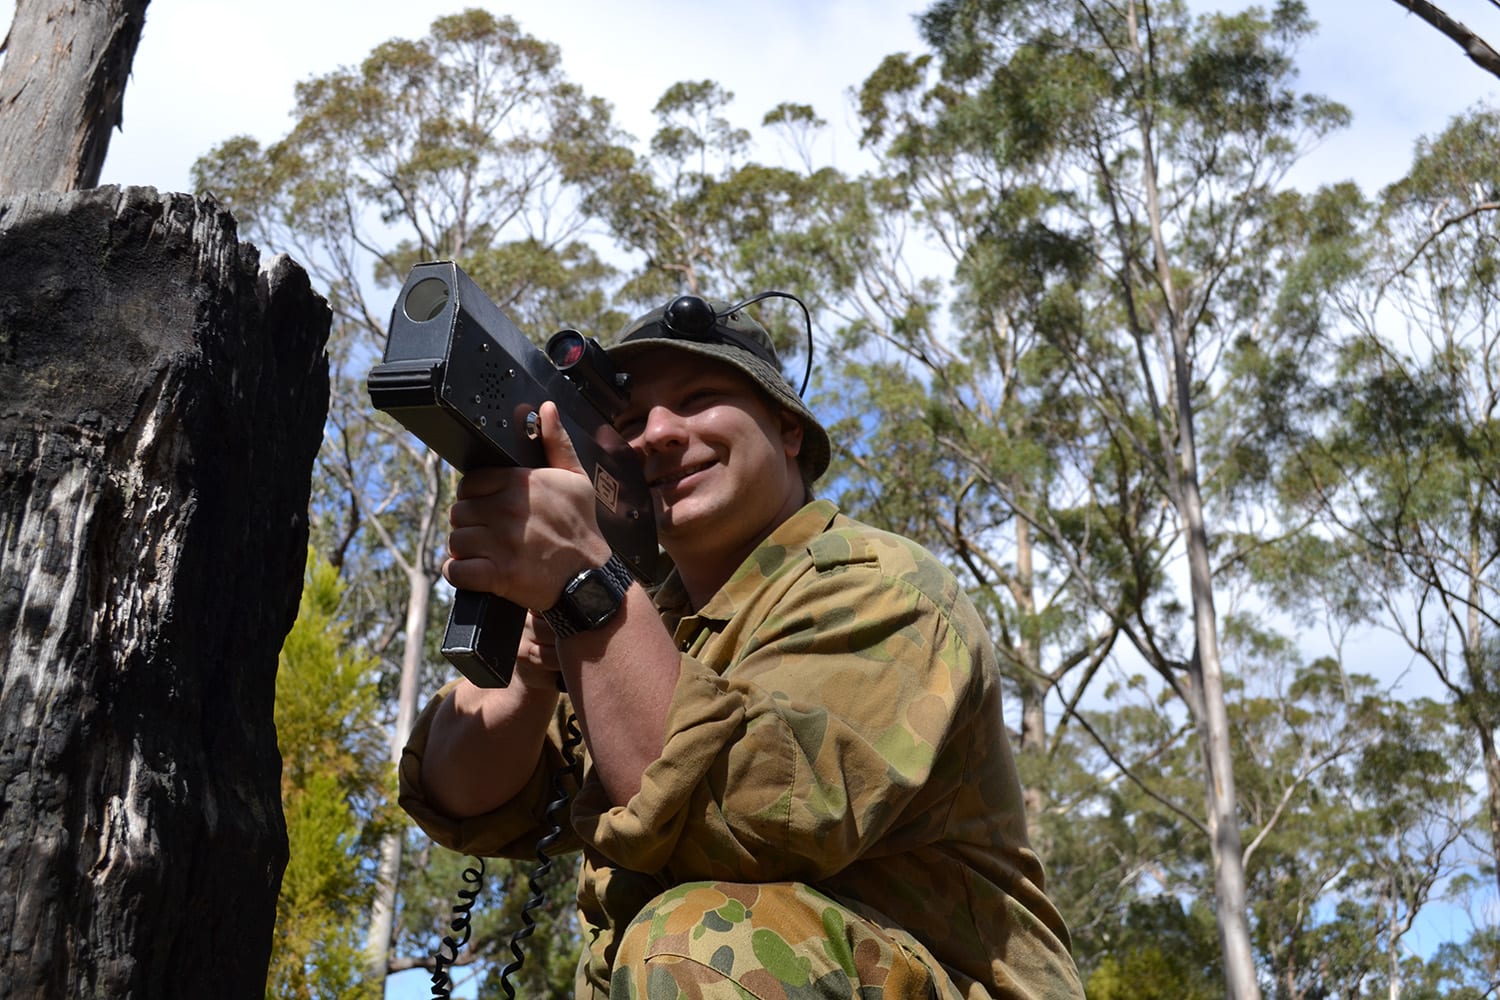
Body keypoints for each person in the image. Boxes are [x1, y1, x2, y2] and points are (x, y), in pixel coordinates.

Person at [398, 295, 1085, 1000]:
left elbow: (751, 819)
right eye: (630, 421)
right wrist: (531, 667)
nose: (658, 433)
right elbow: (466, 797)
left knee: (708, 941)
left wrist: (584, 583)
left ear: (789, 430)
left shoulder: (884, 587)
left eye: (700, 399)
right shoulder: (640, 618)